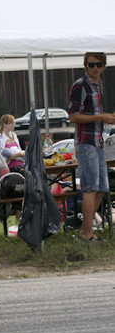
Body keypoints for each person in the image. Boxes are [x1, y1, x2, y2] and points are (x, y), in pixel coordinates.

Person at [68, 52, 115, 242]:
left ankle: (85, 231)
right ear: (85, 65)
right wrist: (101, 117)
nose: (95, 68)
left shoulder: (99, 84)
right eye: (91, 64)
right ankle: (87, 234)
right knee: (90, 188)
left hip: (98, 142)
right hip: (86, 143)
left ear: (104, 66)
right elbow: (73, 116)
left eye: (98, 64)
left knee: (102, 188)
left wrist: (106, 120)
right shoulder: (80, 85)